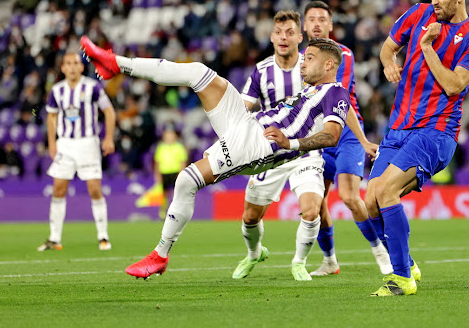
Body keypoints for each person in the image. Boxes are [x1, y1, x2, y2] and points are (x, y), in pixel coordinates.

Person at [80, 35, 352, 279]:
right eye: (304, 58)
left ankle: (160, 254)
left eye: (310, 59)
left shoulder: (336, 93)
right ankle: (115, 63)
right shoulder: (310, 90)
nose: (302, 63)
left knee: (186, 180)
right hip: (247, 122)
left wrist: (290, 142)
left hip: (257, 146)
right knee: (198, 72)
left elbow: (331, 135)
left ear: (329, 65)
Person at [365, 0, 469, 297]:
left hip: (436, 132)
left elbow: (452, 85)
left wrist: (427, 49)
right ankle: (406, 261)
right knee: (370, 201)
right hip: (398, 128)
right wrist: (388, 62)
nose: (434, 1)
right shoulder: (417, 13)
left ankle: (402, 278)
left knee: (386, 191)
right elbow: (387, 47)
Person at [233, 10, 368, 281]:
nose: (284, 38)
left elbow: (340, 102)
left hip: (305, 152)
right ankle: (253, 253)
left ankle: (299, 262)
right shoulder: (262, 71)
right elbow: (241, 109)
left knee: (311, 209)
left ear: (300, 36)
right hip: (270, 150)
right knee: (250, 217)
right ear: (271, 38)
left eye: (289, 33)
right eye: (279, 33)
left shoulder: (312, 66)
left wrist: (362, 140)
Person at [301, 1, 390, 277]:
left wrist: (363, 141)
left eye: (322, 19)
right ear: (304, 26)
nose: (316, 23)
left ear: (330, 25)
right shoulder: (298, 60)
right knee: (317, 203)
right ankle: (329, 261)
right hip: (317, 136)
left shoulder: (342, 55)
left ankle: (381, 252)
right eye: (311, 19)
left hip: (346, 133)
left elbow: (340, 97)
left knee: (350, 197)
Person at [37, 51, 116, 252]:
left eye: (75, 63)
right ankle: (55, 239)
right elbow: (52, 117)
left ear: (81, 67)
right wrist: (52, 144)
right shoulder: (56, 90)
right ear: (63, 68)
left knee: (94, 189)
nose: (72, 67)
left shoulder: (93, 87)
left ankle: (103, 236)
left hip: (88, 143)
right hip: (65, 144)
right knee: (58, 189)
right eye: (68, 63)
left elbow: (109, 111)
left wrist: (108, 138)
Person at [154, 128, 189, 218]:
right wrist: (157, 174)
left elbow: (183, 162)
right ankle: (163, 210)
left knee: (176, 193)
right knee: (164, 193)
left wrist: (181, 174)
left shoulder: (179, 147)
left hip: (175, 172)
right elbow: (157, 162)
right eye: (167, 136)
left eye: (171, 135)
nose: (169, 138)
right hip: (164, 173)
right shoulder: (161, 147)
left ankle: (175, 211)